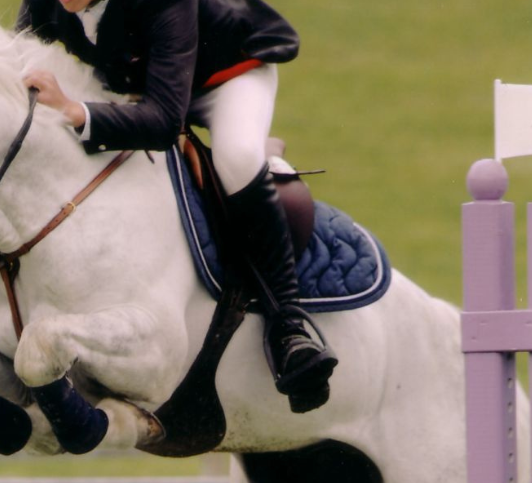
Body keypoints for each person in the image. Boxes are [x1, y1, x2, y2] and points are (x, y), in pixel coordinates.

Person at [17, 0, 336, 413]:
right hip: (135, 82)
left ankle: (289, 329)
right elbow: (20, 62)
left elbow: (165, 122)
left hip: (222, 77)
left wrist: (73, 109)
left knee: (238, 159)